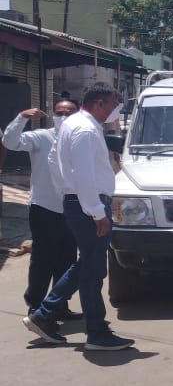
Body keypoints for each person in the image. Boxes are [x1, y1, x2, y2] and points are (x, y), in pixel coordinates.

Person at [22, 82, 135, 351]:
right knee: (92, 271)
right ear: (99, 104)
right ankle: (95, 332)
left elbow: (54, 162)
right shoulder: (84, 130)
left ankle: (45, 314)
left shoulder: (73, 126)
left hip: (79, 202)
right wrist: (96, 212)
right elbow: (84, 175)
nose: (114, 112)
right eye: (112, 105)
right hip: (89, 205)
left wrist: (67, 192)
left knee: (88, 264)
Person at [4, 98, 81, 318]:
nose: (63, 117)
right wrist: (22, 117)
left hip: (72, 209)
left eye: (69, 113)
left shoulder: (81, 139)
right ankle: (36, 306)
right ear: (52, 115)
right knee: (42, 260)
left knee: (67, 260)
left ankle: (58, 305)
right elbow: (10, 142)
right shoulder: (41, 137)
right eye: (59, 113)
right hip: (44, 208)